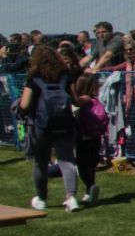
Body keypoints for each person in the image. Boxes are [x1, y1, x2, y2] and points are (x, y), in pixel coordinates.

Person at [19, 46, 81, 212]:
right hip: (65, 123)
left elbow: (24, 104)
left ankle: (41, 198)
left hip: (43, 125)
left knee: (41, 162)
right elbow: (75, 100)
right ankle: (71, 197)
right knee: (67, 160)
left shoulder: (34, 78)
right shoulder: (65, 76)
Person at [72, 73, 107, 205]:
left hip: (84, 136)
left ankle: (90, 187)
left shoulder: (84, 99)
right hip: (96, 135)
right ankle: (89, 192)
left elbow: (75, 102)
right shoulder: (95, 100)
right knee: (91, 165)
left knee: (81, 166)